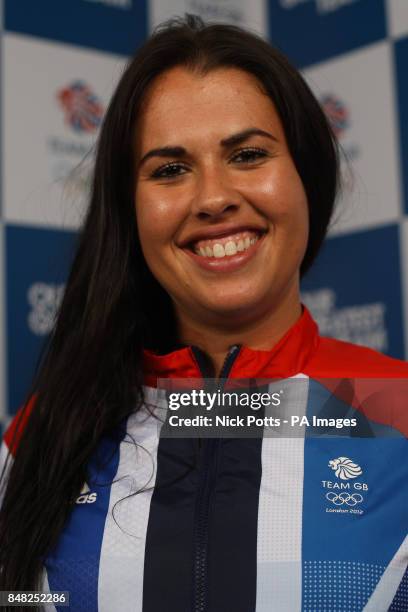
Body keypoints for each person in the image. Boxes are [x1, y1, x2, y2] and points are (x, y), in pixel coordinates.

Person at [0, 14, 407, 612]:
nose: (213, 197)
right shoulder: (44, 431)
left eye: (247, 154)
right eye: (170, 169)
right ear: (129, 211)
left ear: (307, 177)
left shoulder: (398, 409)